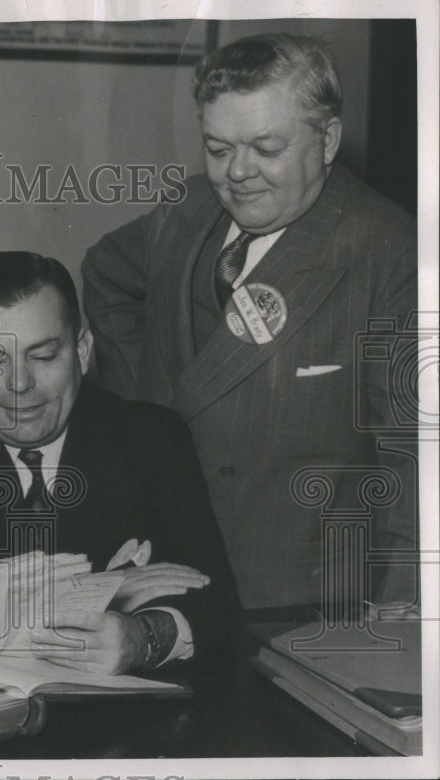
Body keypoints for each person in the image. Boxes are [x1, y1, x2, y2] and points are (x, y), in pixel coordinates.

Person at [81, 33, 418, 611]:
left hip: (300, 599)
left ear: (328, 139)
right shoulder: (189, 209)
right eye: (217, 148)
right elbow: (106, 274)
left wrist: (407, 608)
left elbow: (415, 457)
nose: (238, 173)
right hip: (169, 569)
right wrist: (151, 411)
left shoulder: (392, 250)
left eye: (266, 148)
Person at [0, 252, 238, 675]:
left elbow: (214, 599)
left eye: (43, 356)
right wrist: (100, 588)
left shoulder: (151, 437)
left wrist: (145, 638)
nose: (19, 384)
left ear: (82, 352)